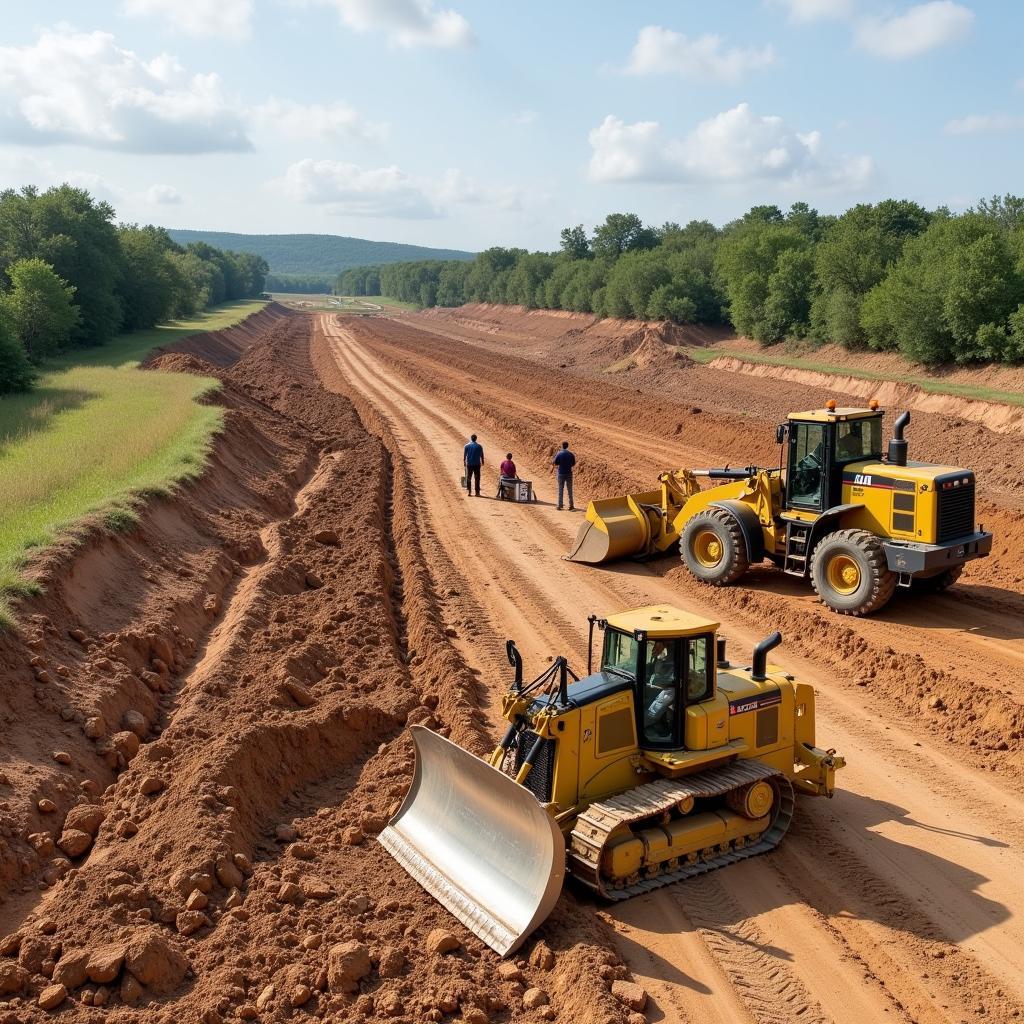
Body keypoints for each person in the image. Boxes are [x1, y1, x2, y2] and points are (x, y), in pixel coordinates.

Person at [551, 440, 576, 511]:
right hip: (569, 473)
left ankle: (560, 505)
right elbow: (573, 463)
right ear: (567, 446)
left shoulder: (559, 453)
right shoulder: (571, 454)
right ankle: (571, 505)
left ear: (562, 446)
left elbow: (555, 463)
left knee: (560, 490)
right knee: (570, 490)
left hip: (561, 473)